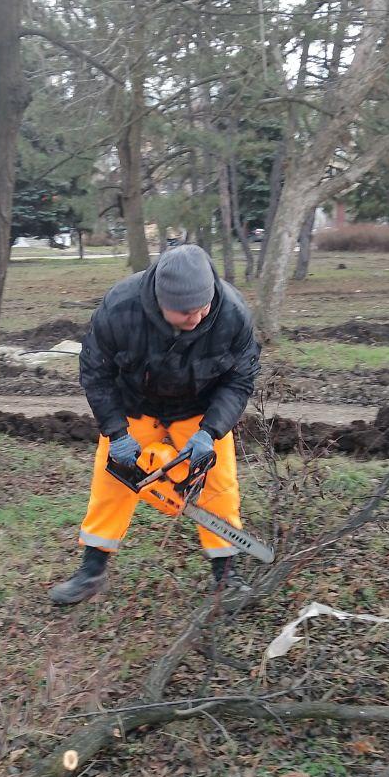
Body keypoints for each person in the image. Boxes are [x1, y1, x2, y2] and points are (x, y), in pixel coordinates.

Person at [50, 243, 261, 605]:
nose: (195, 318)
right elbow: (95, 373)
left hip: (200, 409)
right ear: (160, 303)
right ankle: (91, 573)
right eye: (184, 313)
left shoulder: (233, 314)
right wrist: (116, 432)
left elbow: (240, 380)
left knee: (217, 485)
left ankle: (227, 579)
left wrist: (210, 431)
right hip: (135, 404)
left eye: (202, 309)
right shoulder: (121, 308)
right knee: (111, 482)